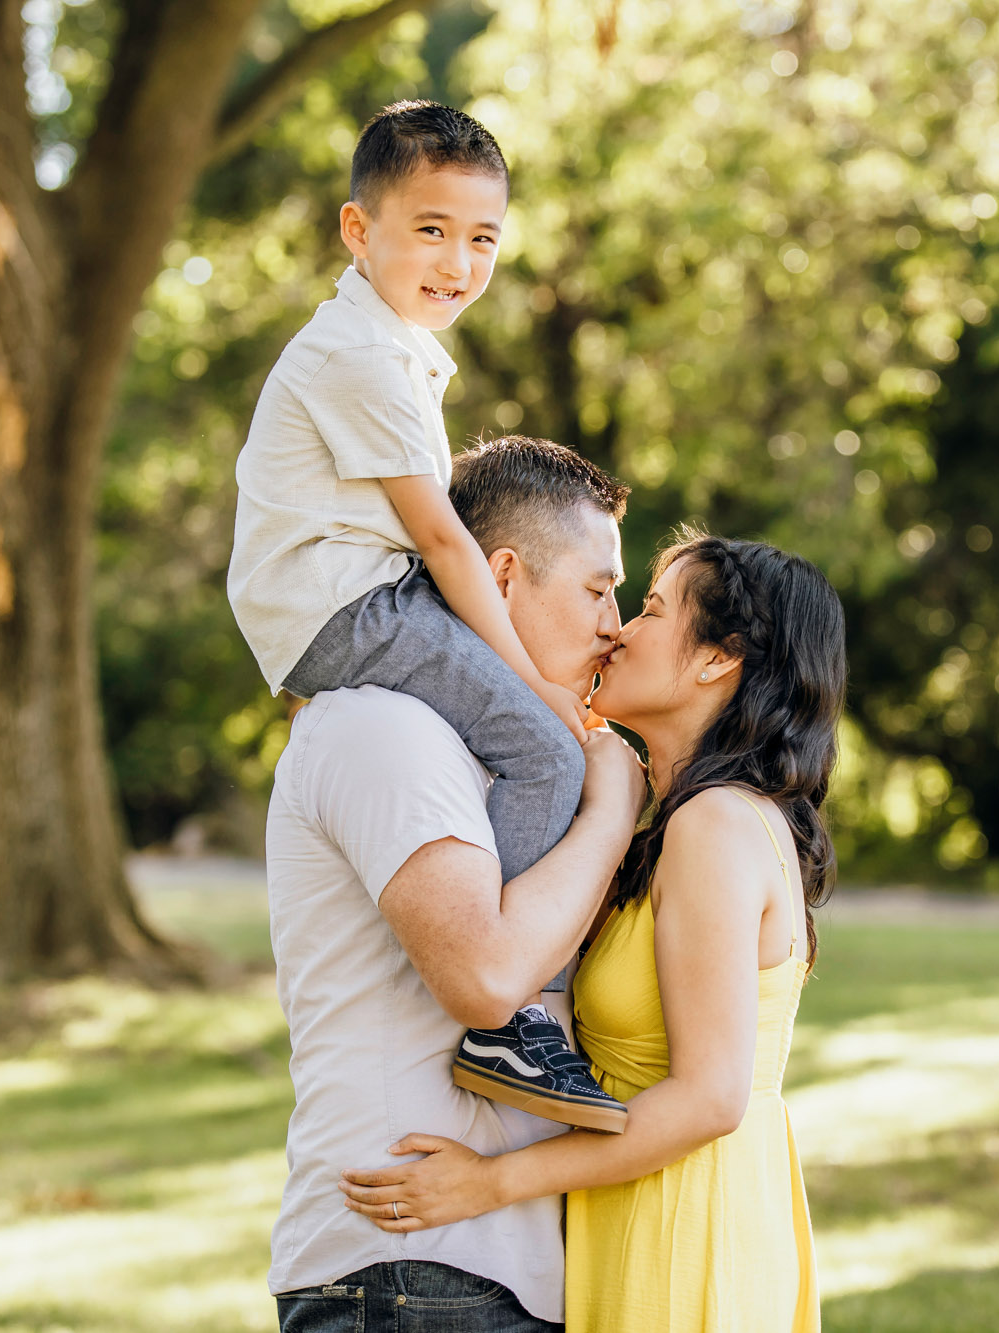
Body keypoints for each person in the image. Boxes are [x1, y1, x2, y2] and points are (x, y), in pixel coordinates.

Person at [228, 101, 626, 1130]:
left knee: (520, 736)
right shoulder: (358, 355)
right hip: (345, 607)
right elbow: (448, 544)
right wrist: (540, 692)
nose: (457, 261)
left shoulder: (392, 341)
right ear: (359, 231)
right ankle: (507, 1011)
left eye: (482, 237)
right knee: (544, 754)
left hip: (362, 588)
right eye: (431, 230)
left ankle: (507, 977)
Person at [340, 532, 845, 1333]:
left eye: (648, 608)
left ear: (719, 659)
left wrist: (491, 1181)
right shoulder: (688, 820)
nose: (618, 630)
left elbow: (712, 1096)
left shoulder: (715, 824)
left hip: (682, 1224)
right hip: (648, 1203)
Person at [264, 437, 645, 1331]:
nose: (615, 623)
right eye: (598, 588)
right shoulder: (389, 728)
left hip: (488, 1264)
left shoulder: (500, 758)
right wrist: (612, 812)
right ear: (502, 576)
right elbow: (482, 979)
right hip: (410, 1270)